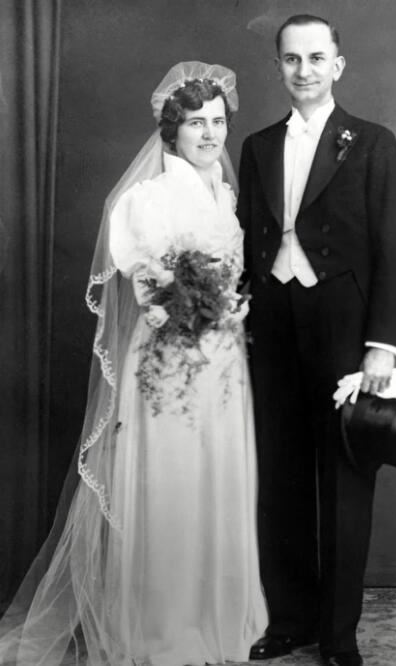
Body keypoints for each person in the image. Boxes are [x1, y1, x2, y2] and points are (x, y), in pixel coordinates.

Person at [0, 61, 267, 666]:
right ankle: (163, 627)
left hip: (223, 360)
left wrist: (230, 307)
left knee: (217, 480)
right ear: (172, 129)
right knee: (172, 483)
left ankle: (214, 615)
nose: (209, 134)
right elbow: (148, 291)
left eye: (218, 122)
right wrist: (185, 305)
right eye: (195, 123)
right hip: (169, 362)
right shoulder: (147, 198)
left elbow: (230, 276)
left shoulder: (224, 194)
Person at [237, 15, 396, 666]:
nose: (303, 70)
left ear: (337, 65)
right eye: (291, 59)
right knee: (280, 477)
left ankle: (339, 638)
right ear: (278, 67)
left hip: (344, 328)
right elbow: (246, 236)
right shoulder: (257, 146)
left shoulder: (372, 142)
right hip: (271, 326)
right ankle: (292, 621)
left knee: (343, 480)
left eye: (316, 58)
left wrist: (382, 345)